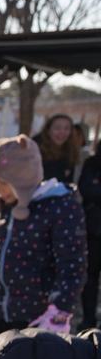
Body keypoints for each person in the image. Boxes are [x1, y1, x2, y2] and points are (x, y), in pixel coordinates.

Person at [0, 134, 87, 337]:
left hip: (36, 318)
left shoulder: (58, 207)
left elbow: (72, 265)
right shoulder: (3, 207)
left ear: (24, 178)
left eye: (3, 183)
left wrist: (60, 310)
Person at [79, 137, 101, 330]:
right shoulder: (92, 163)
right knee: (90, 278)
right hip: (92, 231)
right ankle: (88, 319)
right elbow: (86, 189)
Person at [36, 113, 83, 185]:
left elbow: (68, 182)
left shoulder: (71, 151)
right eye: (57, 128)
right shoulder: (35, 150)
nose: (62, 132)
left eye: (66, 128)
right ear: (48, 130)